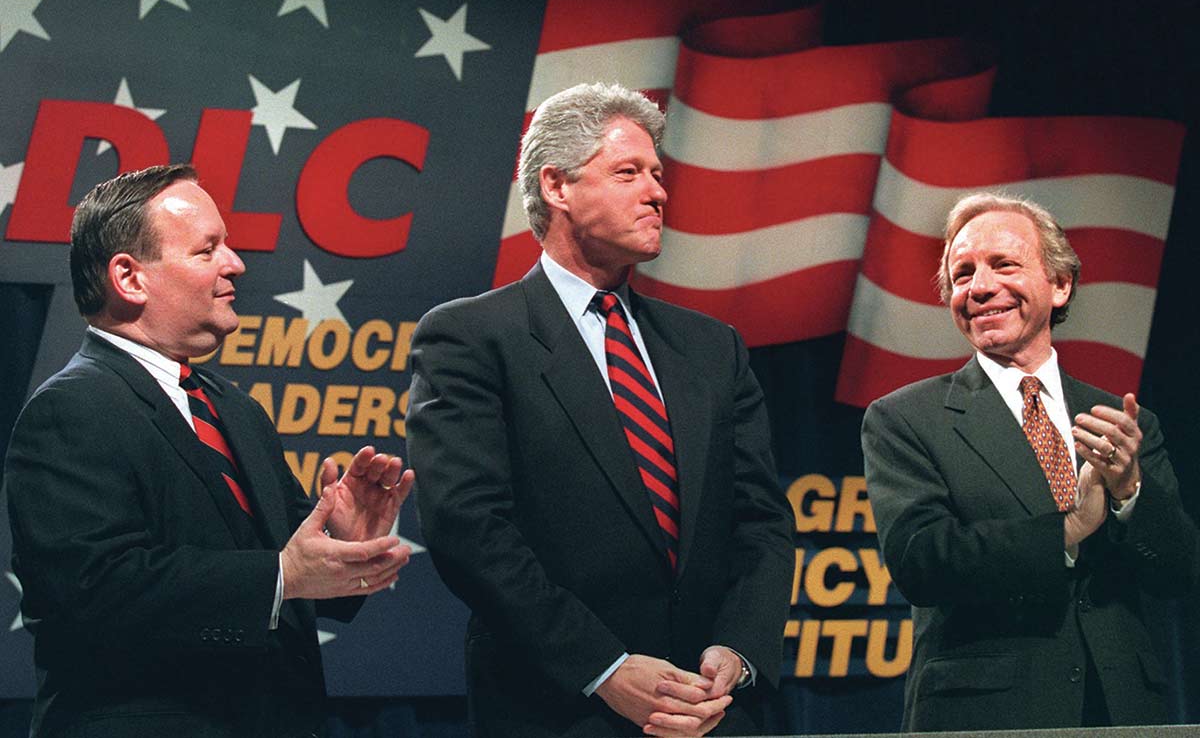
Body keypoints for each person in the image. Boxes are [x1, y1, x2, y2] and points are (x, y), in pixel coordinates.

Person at [406, 83, 794, 737]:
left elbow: (761, 523)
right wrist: (605, 667)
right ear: (557, 187)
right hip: (561, 708)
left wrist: (740, 649)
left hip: (715, 710)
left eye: (658, 174)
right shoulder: (471, 338)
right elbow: (471, 532)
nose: (658, 192)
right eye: (629, 172)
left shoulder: (712, 349)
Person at [3, 164, 416, 738]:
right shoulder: (70, 410)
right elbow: (94, 592)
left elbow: (290, 586)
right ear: (129, 277)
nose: (236, 264)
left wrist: (342, 548)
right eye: (207, 250)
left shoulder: (235, 410)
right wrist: (280, 574)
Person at [861, 192, 1199, 731]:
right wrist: (1069, 528)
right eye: (963, 273)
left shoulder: (1123, 422)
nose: (981, 287)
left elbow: (1179, 572)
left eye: (1004, 265)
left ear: (1060, 284)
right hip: (986, 714)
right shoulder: (906, 419)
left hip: (1122, 712)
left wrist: (1131, 493)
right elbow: (923, 562)